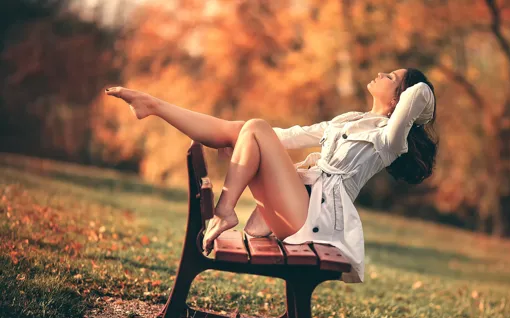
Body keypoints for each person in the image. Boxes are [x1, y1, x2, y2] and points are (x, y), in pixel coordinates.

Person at [105, 68, 437, 283]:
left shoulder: (390, 140)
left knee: (255, 128)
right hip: (300, 202)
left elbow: (420, 94)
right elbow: (288, 135)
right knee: (243, 128)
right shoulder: (348, 120)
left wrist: (415, 99)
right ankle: (154, 105)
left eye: (391, 76)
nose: (380, 73)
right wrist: (243, 141)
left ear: (399, 100)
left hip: (314, 219)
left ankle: (224, 211)